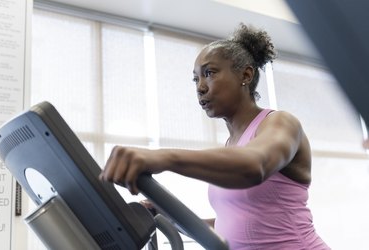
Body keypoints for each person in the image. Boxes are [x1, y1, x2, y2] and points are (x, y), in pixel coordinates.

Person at [100, 23, 330, 249]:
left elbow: (255, 166)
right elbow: (229, 228)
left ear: (246, 75)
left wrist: (163, 158)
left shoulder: (280, 123)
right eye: (195, 79)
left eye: (209, 73)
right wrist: (169, 216)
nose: (200, 87)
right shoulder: (232, 146)